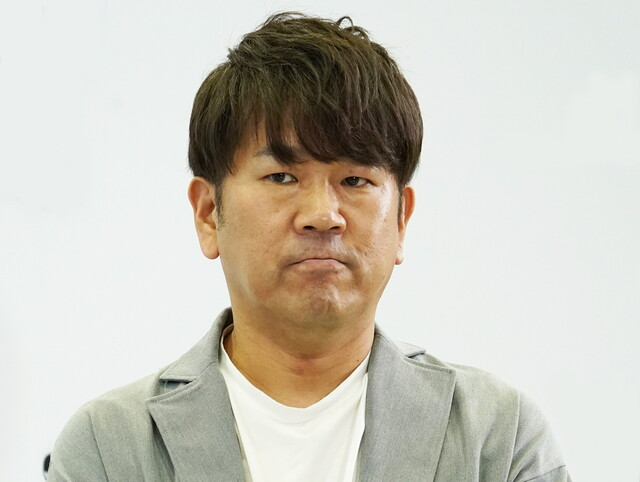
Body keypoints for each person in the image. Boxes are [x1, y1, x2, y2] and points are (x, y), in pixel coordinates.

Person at [48, 12, 569, 481]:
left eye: (356, 180)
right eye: (281, 176)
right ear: (208, 213)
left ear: (402, 219)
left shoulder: (497, 439)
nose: (323, 215)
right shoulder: (107, 449)